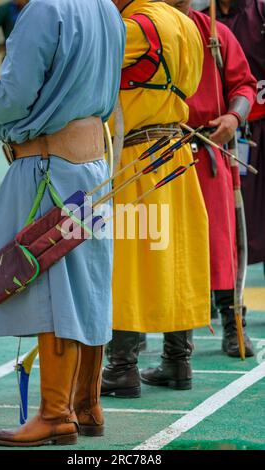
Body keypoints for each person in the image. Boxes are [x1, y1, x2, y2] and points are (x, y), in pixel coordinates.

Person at [0, 0, 125, 447]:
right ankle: (86, 406)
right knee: (87, 285)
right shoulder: (107, 11)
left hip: (48, 167)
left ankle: (56, 414)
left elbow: (12, 97)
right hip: (92, 164)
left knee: (53, 285)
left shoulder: (45, 10)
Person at [141, 0, 257, 389]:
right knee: (151, 247)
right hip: (154, 154)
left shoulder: (215, 36)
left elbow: (242, 84)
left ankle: (230, 324)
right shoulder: (143, 27)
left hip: (207, 152)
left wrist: (233, 116)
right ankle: (132, 335)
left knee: (218, 245)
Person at [102, 0, 210, 398]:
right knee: (176, 257)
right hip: (176, 152)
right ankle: (177, 360)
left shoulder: (138, 25)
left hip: (136, 156)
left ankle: (121, 367)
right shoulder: (186, 25)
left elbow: (89, 62)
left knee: (127, 262)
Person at [209, 1, 265, 269]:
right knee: (223, 222)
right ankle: (228, 302)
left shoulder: (261, 12)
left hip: (260, 127)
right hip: (219, 134)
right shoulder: (202, 18)